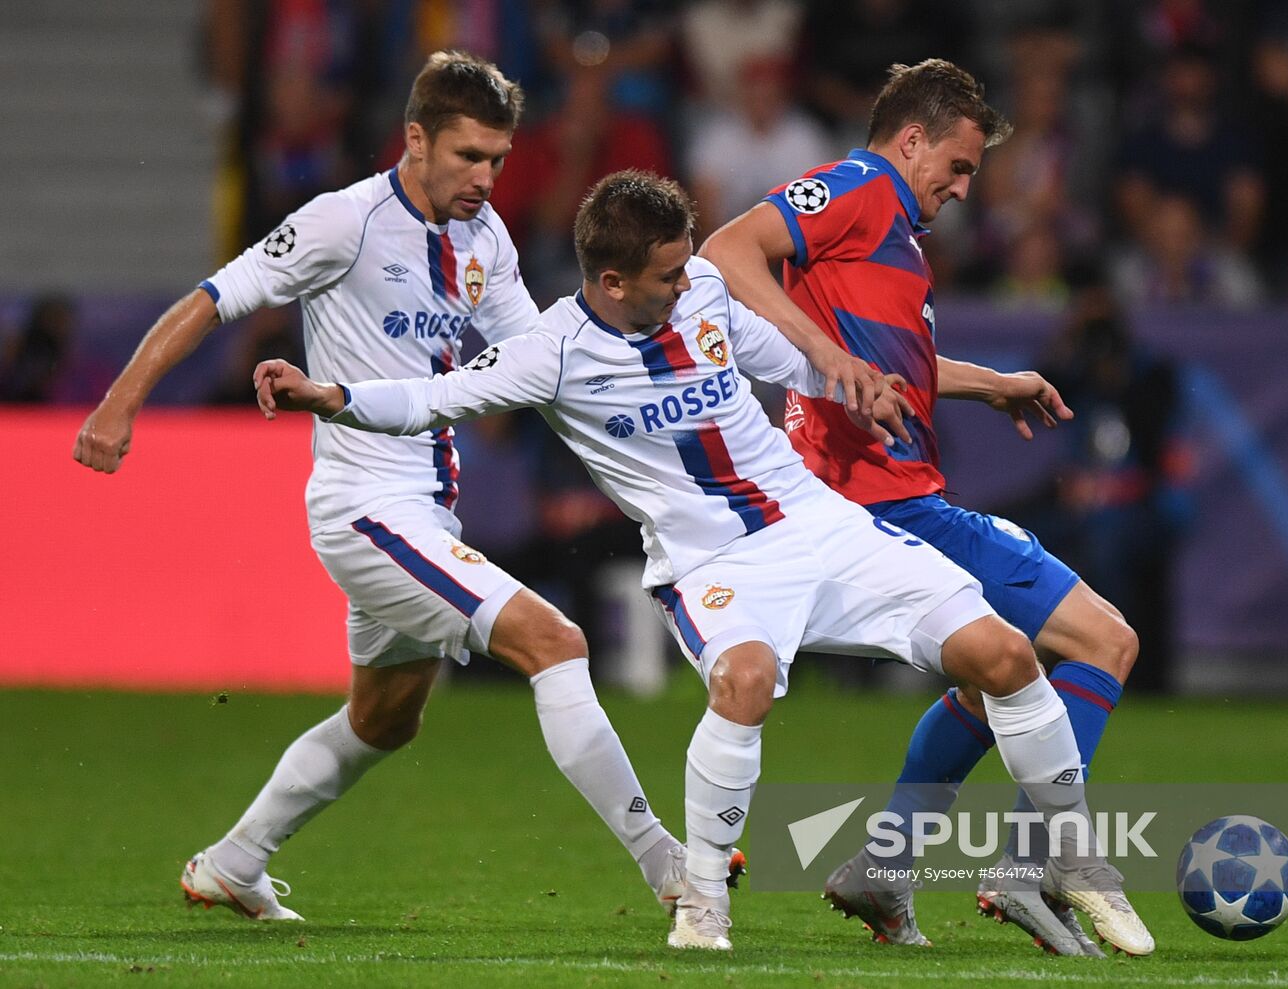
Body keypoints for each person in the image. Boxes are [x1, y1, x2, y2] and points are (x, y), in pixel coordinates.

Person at [251, 169, 1152, 954]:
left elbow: (806, 365)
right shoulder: (551, 353)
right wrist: (327, 393)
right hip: (711, 563)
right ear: (610, 281)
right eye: (670, 273)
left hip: (818, 525)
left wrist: (897, 381)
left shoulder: (710, 297)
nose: (692, 281)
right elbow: (432, 397)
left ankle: (1072, 857)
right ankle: (703, 908)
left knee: (1006, 656)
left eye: (690, 263)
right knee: (746, 682)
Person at [71, 51, 694, 923]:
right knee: (554, 641)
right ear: (415, 139)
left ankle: (232, 861)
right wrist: (117, 408)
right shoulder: (343, 223)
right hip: (365, 511)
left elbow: (536, 364)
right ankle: (670, 866)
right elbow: (214, 298)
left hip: (427, 509)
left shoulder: (488, 239)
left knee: (384, 720)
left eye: (499, 160)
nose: (485, 177)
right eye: (468, 156)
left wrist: (653, 448)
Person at [699, 58, 1154, 956]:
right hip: (884, 502)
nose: (962, 186)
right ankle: (1033, 863)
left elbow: (889, 368)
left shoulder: (892, 233)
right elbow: (726, 251)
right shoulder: (863, 186)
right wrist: (829, 359)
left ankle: (885, 865)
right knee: (1103, 639)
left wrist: (989, 383)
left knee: (997, 677)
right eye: (958, 164)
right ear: (911, 140)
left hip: (881, 500)